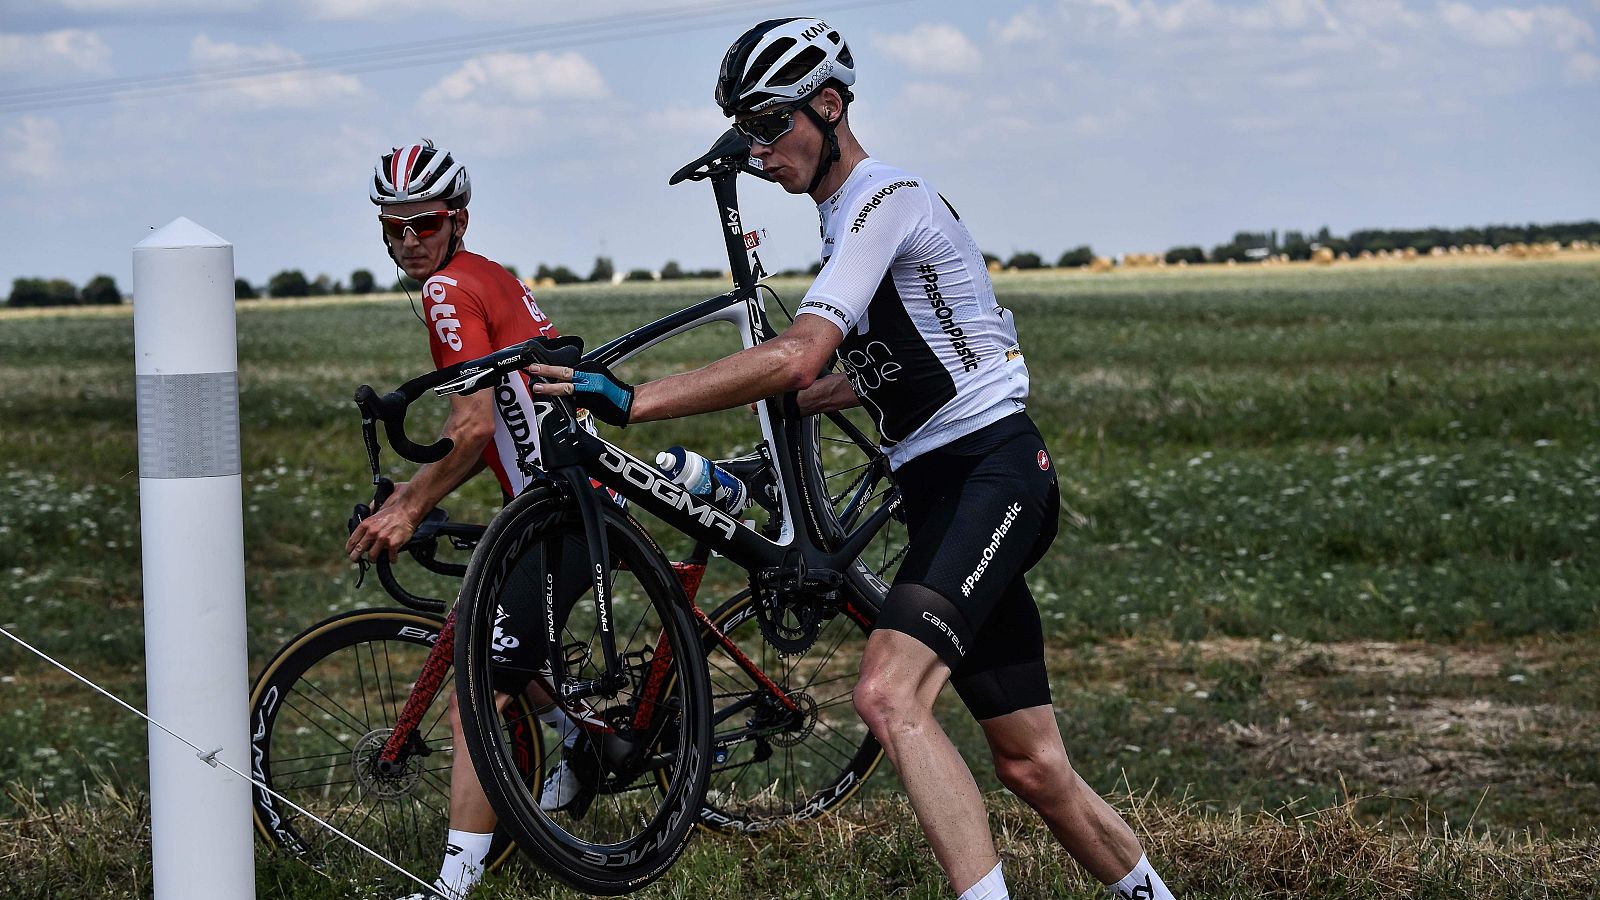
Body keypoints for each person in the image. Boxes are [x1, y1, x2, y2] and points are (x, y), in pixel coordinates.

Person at [528, 18, 1177, 900]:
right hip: (952, 493)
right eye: (744, 131)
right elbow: (855, 376)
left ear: (828, 106)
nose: (758, 152)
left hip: (991, 473)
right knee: (1032, 767)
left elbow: (802, 354)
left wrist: (633, 397)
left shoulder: (884, 197)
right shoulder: (845, 221)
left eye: (768, 124)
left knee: (886, 695)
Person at [346, 139, 585, 900]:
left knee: (475, 696)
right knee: (492, 633)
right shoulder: (486, 276)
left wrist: (408, 504)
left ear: (459, 221)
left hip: (557, 513)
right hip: (561, 501)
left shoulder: (451, 291)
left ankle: (452, 889)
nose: (409, 240)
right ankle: (581, 740)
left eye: (425, 224)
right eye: (394, 228)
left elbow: (476, 425)